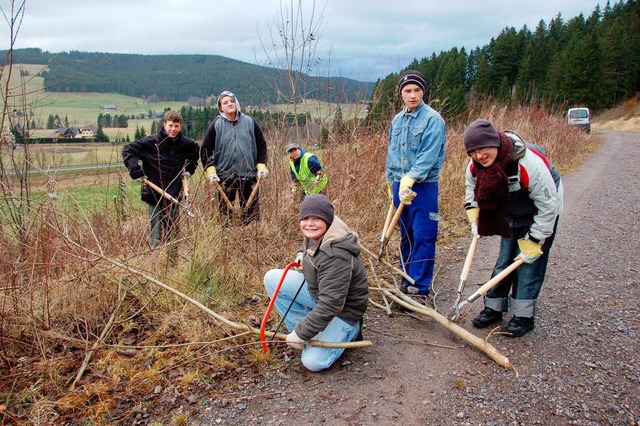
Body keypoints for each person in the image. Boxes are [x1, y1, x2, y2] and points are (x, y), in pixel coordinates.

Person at [463, 119, 563, 337]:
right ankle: (494, 308)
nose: (480, 155)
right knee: (505, 259)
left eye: (484, 148)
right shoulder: (474, 167)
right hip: (511, 209)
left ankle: (523, 317)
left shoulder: (528, 164)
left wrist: (536, 240)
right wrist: (474, 219)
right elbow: (472, 191)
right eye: (473, 151)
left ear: (496, 143)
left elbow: (548, 206)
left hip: (541, 208)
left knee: (528, 265)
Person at [263, 194, 369, 372]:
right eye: (305, 218)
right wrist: (301, 254)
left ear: (326, 220)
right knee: (272, 278)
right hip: (319, 292)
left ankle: (350, 332)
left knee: (313, 362)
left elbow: (331, 305)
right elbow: (308, 243)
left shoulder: (336, 255)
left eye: (316, 219)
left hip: (343, 310)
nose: (309, 223)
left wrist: (301, 334)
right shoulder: (318, 232)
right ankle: (306, 330)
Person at [385, 69, 446, 297]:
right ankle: (406, 277)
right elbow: (392, 152)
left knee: (424, 234)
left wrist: (411, 178)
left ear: (423, 92)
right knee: (406, 233)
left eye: (417, 90)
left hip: (423, 186)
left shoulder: (432, 120)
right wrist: (391, 181)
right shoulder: (397, 120)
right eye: (408, 91)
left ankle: (419, 286)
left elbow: (429, 156)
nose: (412, 95)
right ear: (401, 93)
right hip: (399, 184)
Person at [122, 111, 199, 248]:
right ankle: (156, 261)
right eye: (170, 125)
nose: (173, 129)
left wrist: (189, 170)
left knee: (173, 233)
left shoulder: (186, 144)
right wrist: (136, 170)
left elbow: (194, 155)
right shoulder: (152, 143)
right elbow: (128, 149)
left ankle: (173, 264)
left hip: (174, 195)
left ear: (180, 126)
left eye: (176, 126)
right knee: (156, 234)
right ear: (164, 125)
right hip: (154, 193)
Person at [200, 91, 268, 223]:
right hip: (225, 177)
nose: (230, 104)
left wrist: (261, 166)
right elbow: (205, 150)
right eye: (225, 102)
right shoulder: (216, 125)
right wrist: (211, 171)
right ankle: (227, 241)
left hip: (248, 175)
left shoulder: (249, 122)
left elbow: (262, 146)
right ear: (220, 108)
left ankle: (251, 240)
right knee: (225, 217)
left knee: (252, 216)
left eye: (232, 101)